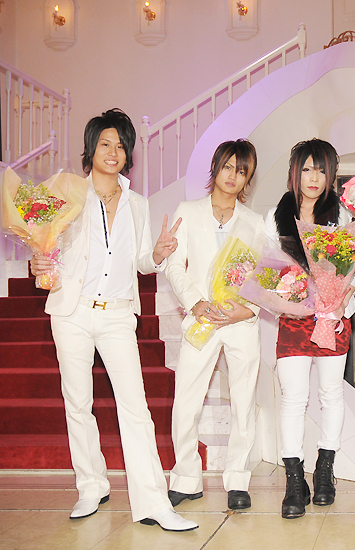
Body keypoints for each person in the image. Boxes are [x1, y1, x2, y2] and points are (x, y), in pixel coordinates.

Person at [30, 109, 196, 531]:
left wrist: (157, 254)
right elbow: (45, 246)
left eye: (121, 146)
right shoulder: (67, 194)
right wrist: (38, 261)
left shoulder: (137, 204)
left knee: (136, 407)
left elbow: (140, 261)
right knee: (78, 402)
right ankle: (91, 485)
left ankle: (154, 503)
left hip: (118, 313)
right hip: (72, 311)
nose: (113, 152)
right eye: (105, 143)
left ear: (128, 154)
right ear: (91, 149)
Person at [166, 139, 267, 511]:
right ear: (215, 168)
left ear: (247, 178)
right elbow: (174, 265)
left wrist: (248, 310)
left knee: (243, 403)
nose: (233, 176)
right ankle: (186, 478)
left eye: (241, 171)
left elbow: (263, 276)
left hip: (240, 323)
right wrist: (195, 303)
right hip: (201, 320)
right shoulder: (188, 211)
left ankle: (237, 479)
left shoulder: (254, 222)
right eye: (228, 167)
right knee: (186, 401)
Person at [265, 138, 355, 519]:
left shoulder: (342, 217)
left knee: (331, 394)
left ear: (331, 174)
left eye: (321, 169)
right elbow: (266, 269)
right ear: (295, 173)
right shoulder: (275, 217)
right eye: (306, 169)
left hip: (332, 318)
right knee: (293, 397)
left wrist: (340, 297)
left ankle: (324, 472)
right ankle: (293, 481)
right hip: (291, 320)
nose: (314, 177)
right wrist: (288, 298)